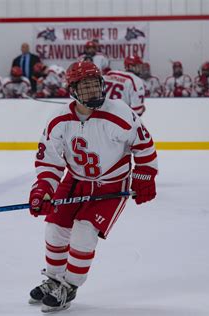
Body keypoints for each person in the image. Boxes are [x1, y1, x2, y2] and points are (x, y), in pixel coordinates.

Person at [28, 61, 158, 313]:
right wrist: (42, 189)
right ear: (73, 91)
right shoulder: (58, 121)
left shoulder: (118, 113)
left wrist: (145, 175)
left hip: (111, 183)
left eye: (95, 85)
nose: (92, 92)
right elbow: (49, 160)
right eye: (85, 88)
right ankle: (54, 278)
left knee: (84, 232)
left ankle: (70, 285)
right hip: (75, 180)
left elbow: (144, 145)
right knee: (54, 228)